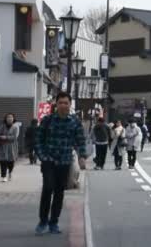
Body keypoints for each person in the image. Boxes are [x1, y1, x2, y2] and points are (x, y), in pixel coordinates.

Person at [34, 92, 87, 235]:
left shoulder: (75, 122)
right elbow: (38, 139)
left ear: (70, 105)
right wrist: (43, 156)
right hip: (49, 161)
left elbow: (81, 140)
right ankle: (43, 220)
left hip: (65, 162)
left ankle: (54, 222)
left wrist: (82, 156)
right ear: (56, 104)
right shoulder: (48, 120)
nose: (63, 105)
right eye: (60, 103)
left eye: (66, 103)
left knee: (59, 192)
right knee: (48, 188)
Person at [0, 113, 20, 182]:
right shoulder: (2, 126)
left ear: (13, 119)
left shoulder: (15, 127)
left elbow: (15, 137)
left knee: (11, 161)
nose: (9, 118)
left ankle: (10, 172)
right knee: (2, 161)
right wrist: (0, 137)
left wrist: (6, 137)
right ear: (5, 119)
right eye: (8, 117)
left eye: (11, 117)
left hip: (12, 147)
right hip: (3, 147)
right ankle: (3, 176)